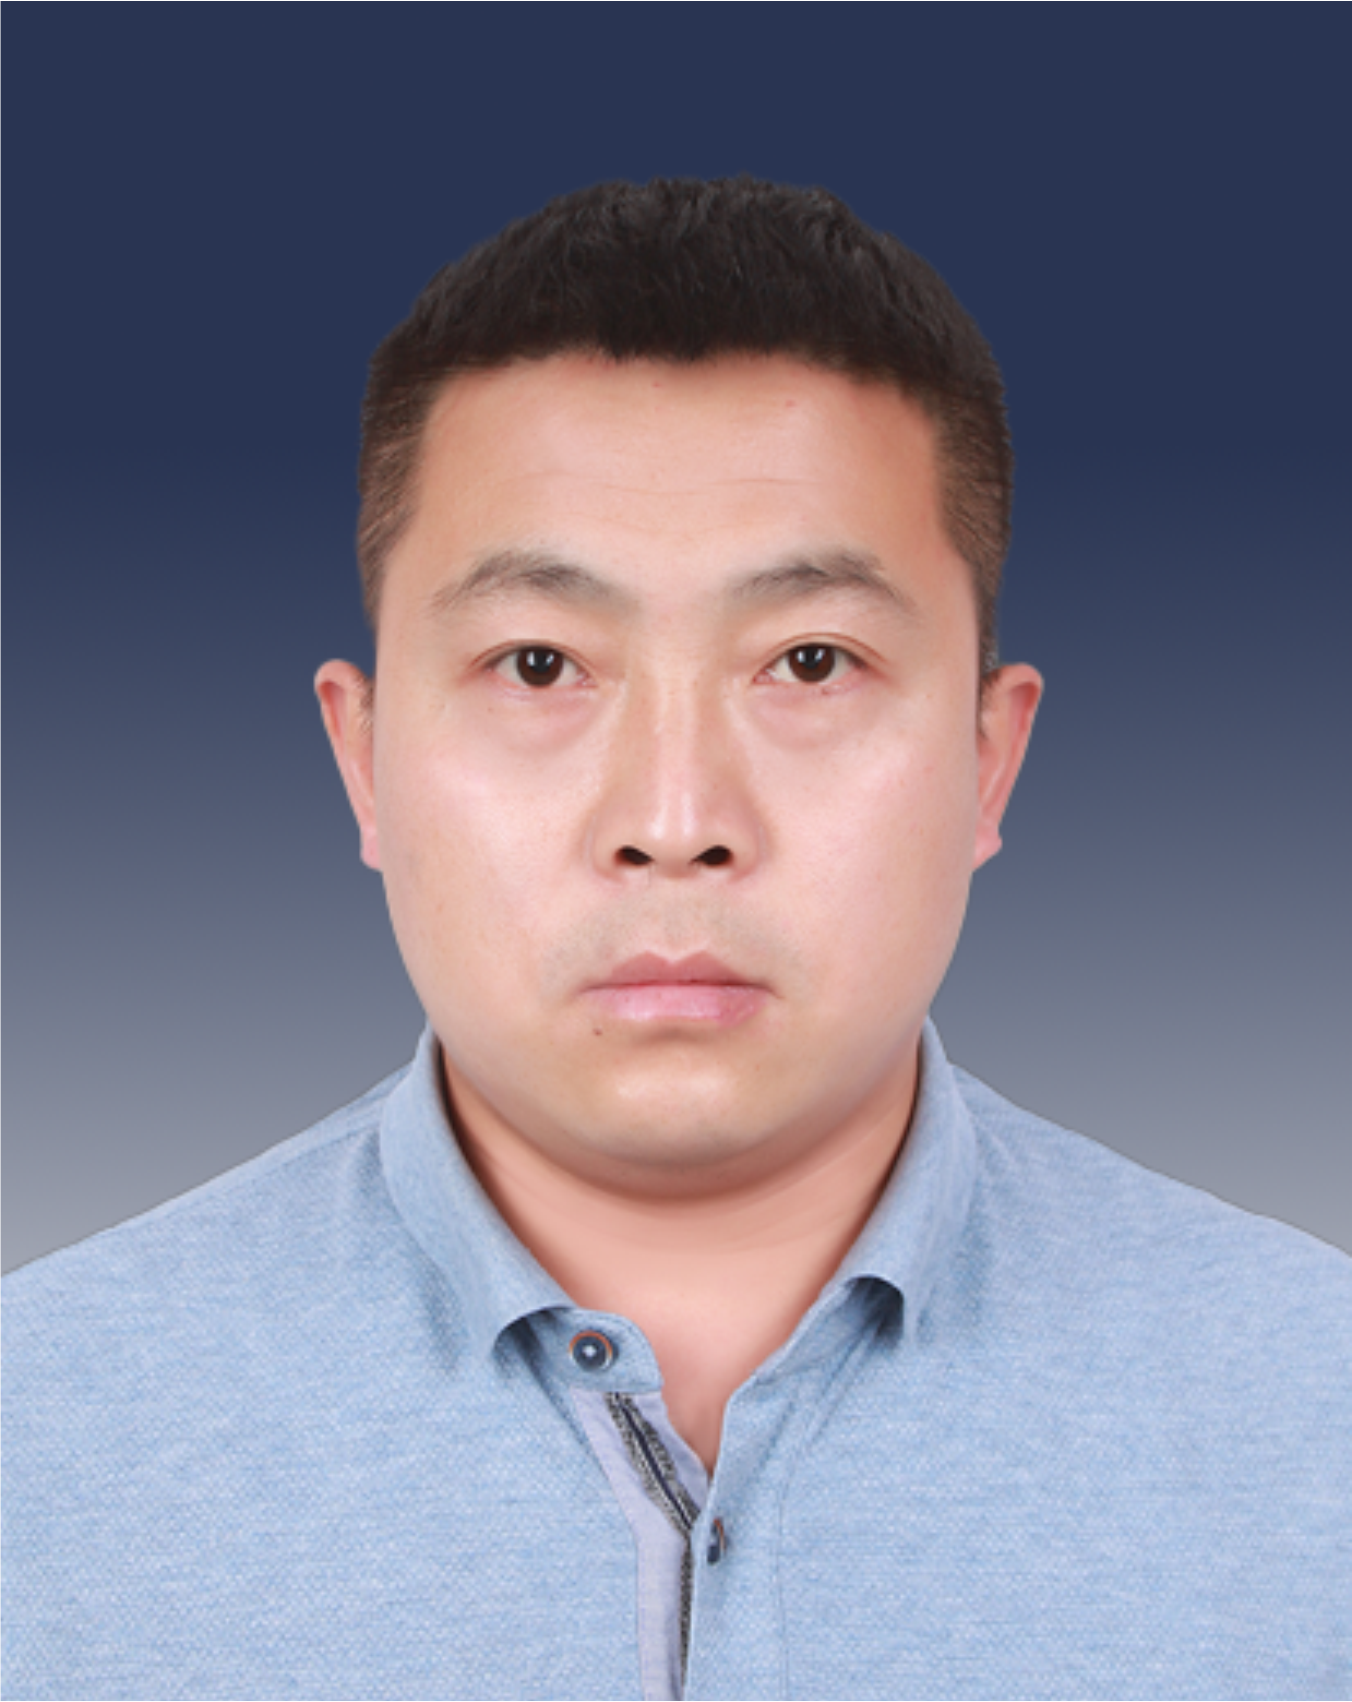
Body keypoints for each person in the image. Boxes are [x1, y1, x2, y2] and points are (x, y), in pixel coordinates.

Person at [3, 176, 1347, 1702]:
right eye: (538, 663)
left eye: (811, 660)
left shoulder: (1319, 1415)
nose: (674, 816)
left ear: (990, 757)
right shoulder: (33, 1441)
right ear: (363, 758)